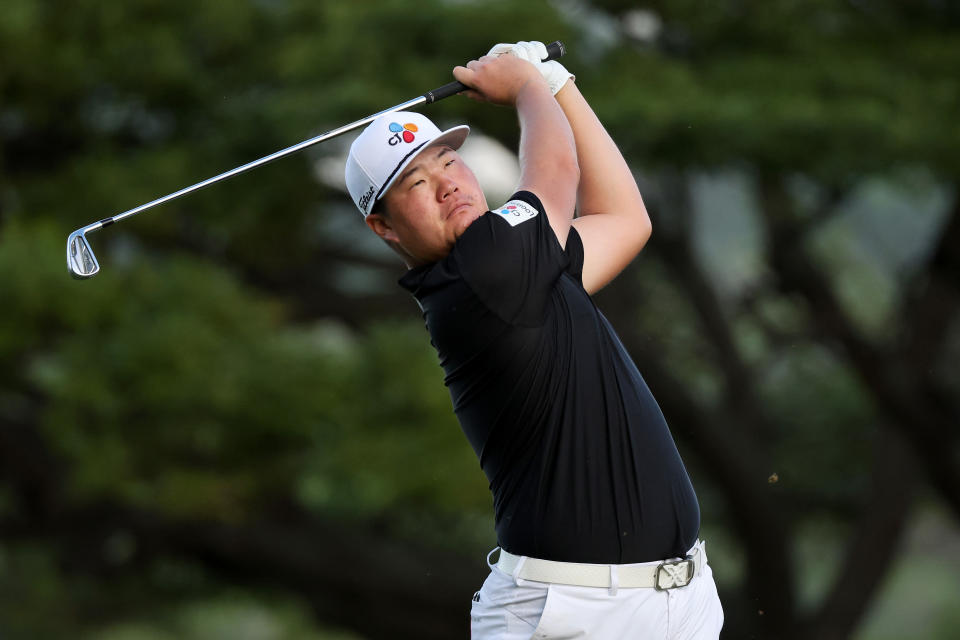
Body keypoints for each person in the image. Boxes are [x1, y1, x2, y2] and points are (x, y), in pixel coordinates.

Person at [344, 41, 723, 639]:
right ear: (383, 226)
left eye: (448, 162)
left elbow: (626, 218)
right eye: (415, 182)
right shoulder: (484, 270)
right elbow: (557, 173)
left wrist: (558, 82)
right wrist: (525, 87)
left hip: (676, 602)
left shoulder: (523, 270)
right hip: (568, 615)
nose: (447, 185)